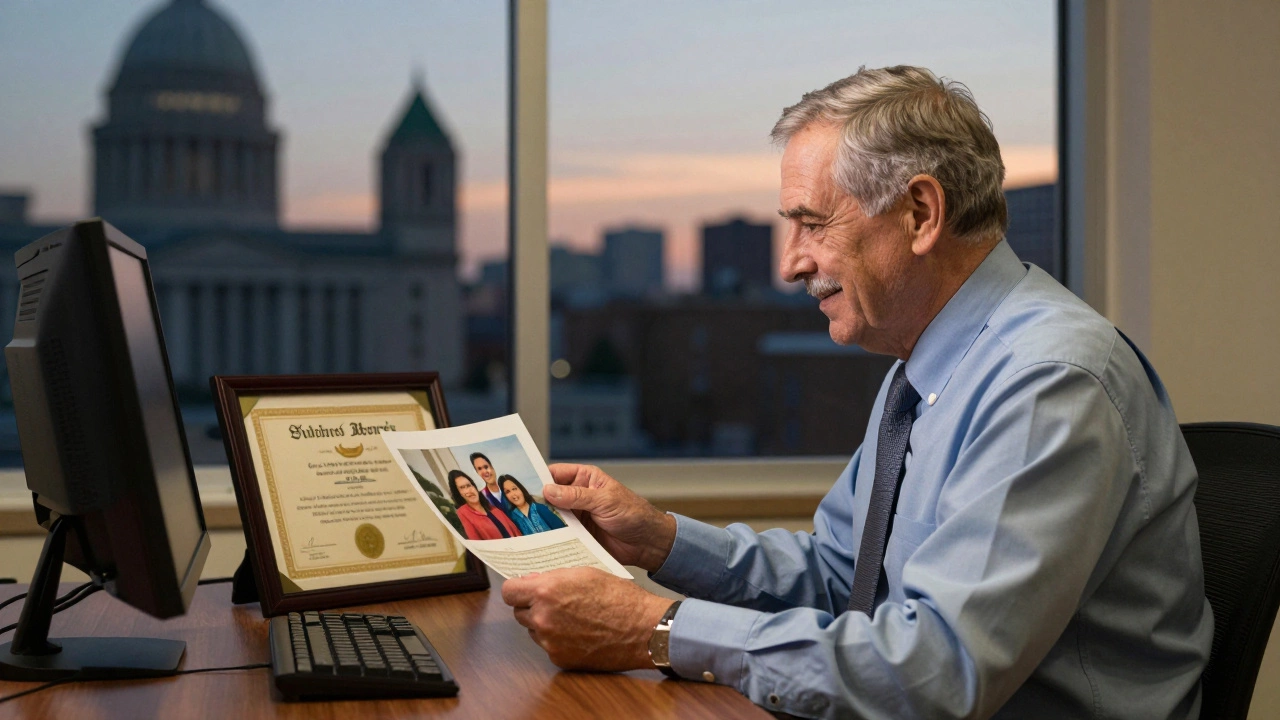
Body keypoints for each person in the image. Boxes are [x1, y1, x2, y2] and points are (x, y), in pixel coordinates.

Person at [500, 66, 1213, 719]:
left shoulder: (1046, 382)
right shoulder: (925, 370)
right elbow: (846, 577)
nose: (789, 264)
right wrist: (658, 540)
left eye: (813, 223)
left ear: (921, 214)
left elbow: (938, 672)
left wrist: (651, 630)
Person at [448, 469, 521, 541]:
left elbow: (517, 532)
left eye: (469, 485)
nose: (468, 491)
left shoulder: (495, 510)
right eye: (462, 488)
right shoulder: (463, 512)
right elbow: (476, 542)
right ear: (458, 493)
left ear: (474, 487)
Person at [500, 474, 567, 535]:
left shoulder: (540, 508)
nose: (513, 494)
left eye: (514, 489)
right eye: (507, 492)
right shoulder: (511, 519)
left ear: (521, 489)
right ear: (505, 497)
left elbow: (562, 530)